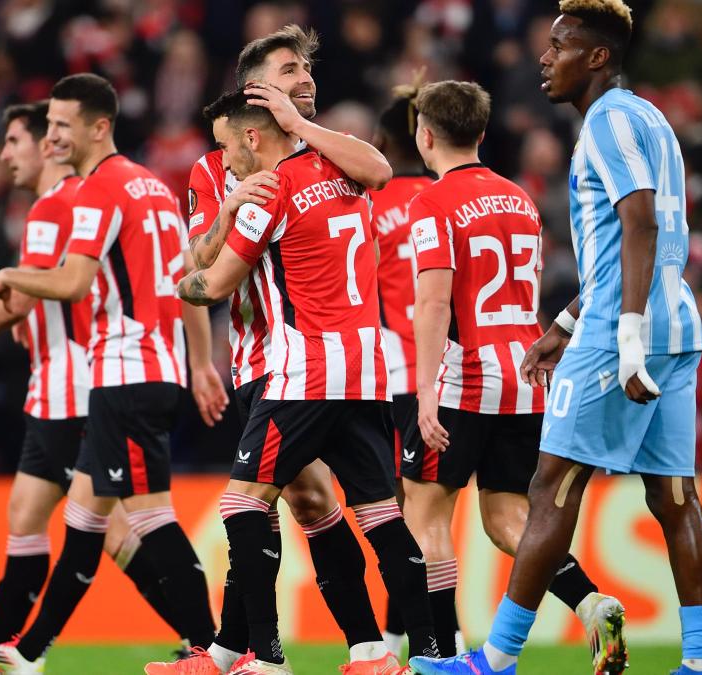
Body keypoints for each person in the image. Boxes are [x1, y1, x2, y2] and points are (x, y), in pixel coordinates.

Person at [410, 2, 702, 674]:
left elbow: (638, 226)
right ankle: (701, 663)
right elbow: (633, 246)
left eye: (560, 46)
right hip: (672, 316)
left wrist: (624, 340)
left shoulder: (606, 121)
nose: (545, 59)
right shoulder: (651, 118)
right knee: (674, 495)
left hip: (623, 334)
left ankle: (495, 656)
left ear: (598, 56)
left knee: (551, 489)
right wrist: (564, 323)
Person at [0, 101, 197, 675]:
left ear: (46, 144)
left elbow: (26, 297)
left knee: (113, 528)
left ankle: (204, 643)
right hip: (82, 378)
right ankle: (11, 653)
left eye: (13, 141)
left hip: (76, 385)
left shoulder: (56, 206)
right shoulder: (103, 195)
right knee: (40, 515)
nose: (4, 154)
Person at [148, 25, 399, 675]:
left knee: (289, 500)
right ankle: (282, 648)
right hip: (267, 360)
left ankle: (261, 652)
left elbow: (379, 173)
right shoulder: (217, 165)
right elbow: (197, 266)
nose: (306, 77)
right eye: (290, 69)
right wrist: (203, 360)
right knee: (294, 500)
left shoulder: (330, 153)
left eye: (308, 67)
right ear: (253, 88)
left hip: (316, 362)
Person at [0, 74, 227, 674]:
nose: (52, 135)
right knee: (85, 521)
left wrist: (10, 277)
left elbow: (72, 282)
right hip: (144, 369)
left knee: (151, 516)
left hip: (128, 370)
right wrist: (196, 362)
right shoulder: (153, 187)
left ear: (98, 126)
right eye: (49, 125)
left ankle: (217, 653)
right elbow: (185, 279)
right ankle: (26, 654)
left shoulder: (100, 189)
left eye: (61, 125)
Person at [175, 90, 441, 674]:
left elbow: (213, 284)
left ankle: (266, 659)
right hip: (368, 371)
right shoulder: (346, 173)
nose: (227, 163)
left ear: (251, 138)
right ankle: (422, 657)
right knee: (381, 515)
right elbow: (380, 168)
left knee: (243, 502)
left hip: (304, 373)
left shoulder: (269, 190)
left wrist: (177, 283)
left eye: (228, 148)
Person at [399, 79, 627, 672]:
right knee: (509, 519)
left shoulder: (432, 201)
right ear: (479, 132)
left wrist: (425, 391)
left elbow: (434, 303)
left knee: (423, 515)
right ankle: (590, 602)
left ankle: (438, 651)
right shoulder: (519, 199)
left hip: (464, 376)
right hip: (525, 377)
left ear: (425, 135)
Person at [368, 84, 437, 657]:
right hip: (454, 373)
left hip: (394, 376)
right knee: (423, 514)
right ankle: (396, 638)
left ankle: (437, 637)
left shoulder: (372, 206)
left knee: (403, 515)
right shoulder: (445, 198)